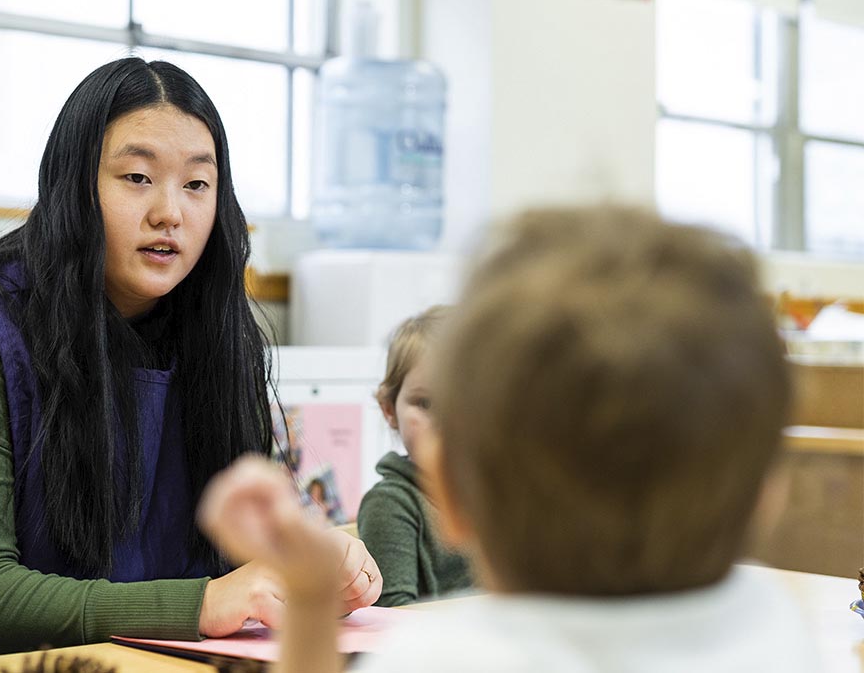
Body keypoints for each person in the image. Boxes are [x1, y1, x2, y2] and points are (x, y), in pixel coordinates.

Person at [0, 56, 381, 656]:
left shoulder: (219, 332)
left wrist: (306, 562)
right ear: (74, 185)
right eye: (137, 177)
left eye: (197, 184)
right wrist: (203, 604)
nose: (170, 211)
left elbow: (236, 560)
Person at [199, 205, 820, 673]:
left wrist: (309, 604)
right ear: (770, 493)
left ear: (455, 497)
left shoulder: (442, 660)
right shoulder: (779, 632)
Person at [357, 305, 472, 606]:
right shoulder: (391, 504)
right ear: (388, 409)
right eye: (426, 403)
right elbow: (390, 622)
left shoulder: (499, 496)